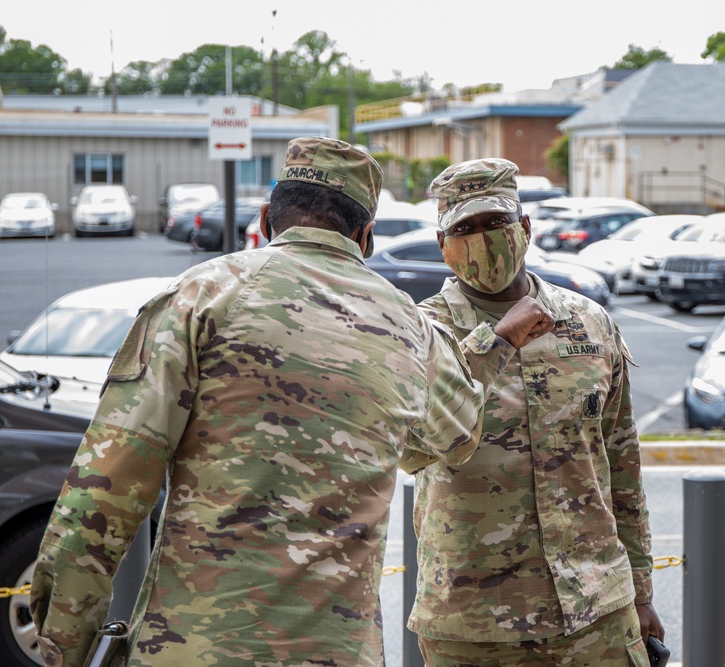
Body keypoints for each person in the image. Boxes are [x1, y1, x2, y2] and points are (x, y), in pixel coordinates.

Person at [30, 137, 554, 667]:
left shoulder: (201, 296)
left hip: (193, 648)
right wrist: (497, 344)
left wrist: (63, 649)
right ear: (365, 235)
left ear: (265, 219)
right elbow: (457, 436)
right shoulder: (409, 326)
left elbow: (104, 492)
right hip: (339, 653)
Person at [401, 158, 664, 666]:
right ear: (444, 245)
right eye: (465, 228)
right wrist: (495, 341)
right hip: (475, 623)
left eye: (495, 223)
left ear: (524, 228)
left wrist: (641, 592)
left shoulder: (588, 322)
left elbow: (621, 465)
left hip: (597, 611)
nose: (483, 240)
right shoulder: (420, 332)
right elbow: (411, 448)